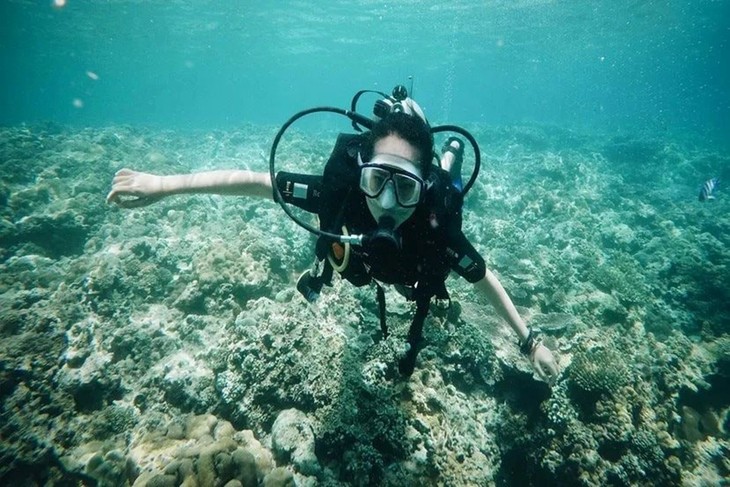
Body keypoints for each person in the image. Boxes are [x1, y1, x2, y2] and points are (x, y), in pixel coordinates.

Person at [107, 92, 560, 384]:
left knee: (450, 179)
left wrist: (530, 342)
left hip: (436, 185)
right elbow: (259, 183)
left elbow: (483, 278)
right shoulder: (341, 195)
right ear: (361, 172)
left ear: (421, 190)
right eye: (377, 180)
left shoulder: (436, 226)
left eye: (405, 187)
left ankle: (447, 157)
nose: (387, 202)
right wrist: (163, 185)